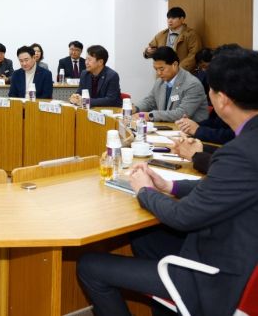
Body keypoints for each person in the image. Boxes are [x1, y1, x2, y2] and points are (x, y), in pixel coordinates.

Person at [77, 47, 258, 316]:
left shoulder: (238, 153)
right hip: (238, 246)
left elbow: (183, 217)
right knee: (145, 238)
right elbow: (222, 187)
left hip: (217, 275)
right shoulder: (248, 144)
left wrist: (145, 190)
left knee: (89, 266)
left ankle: (177, 293)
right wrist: (169, 186)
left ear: (222, 99)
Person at [134, 46, 208, 122]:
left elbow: (181, 114)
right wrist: (135, 108)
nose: (158, 73)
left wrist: (151, 115)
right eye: (156, 69)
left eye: (162, 69)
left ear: (175, 65)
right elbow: (150, 101)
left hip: (193, 128)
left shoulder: (192, 84)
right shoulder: (160, 82)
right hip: (169, 126)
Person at [144, 6, 202, 73]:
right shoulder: (161, 35)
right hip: (163, 73)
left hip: (182, 73)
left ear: (182, 19)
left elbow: (194, 55)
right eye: (168, 18)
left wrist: (177, 69)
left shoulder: (191, 34)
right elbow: (150, 49)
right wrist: (148, 52)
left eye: (173, 18)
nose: (170, 21)